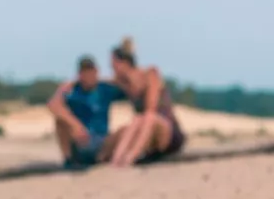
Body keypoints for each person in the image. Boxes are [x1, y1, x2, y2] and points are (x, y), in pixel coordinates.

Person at [107, 37, 186, 166]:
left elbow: (151, 107)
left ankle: (130, 158)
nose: (111, 67)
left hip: (167, 132)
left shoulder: (150, 74)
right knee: (136, 121)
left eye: (114, 63)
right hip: (147, 132)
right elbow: (97, 80)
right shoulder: (122, 82)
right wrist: (70, 84)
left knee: (147, 117)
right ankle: (117, 160)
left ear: (124, 62)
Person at [47, 55, 129, 169]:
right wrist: (75, 124)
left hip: (103, 140)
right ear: (79, 75)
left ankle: (114, 158)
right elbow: (53, 105)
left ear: (96, 72)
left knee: (125, 131)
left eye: (91, 72)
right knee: (60, 121)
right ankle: (69, 160)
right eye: (84, 73)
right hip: (82, 140)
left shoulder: (105, 89)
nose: (88, 76)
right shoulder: (73, 91)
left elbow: (126, 86)